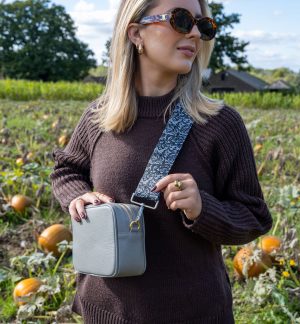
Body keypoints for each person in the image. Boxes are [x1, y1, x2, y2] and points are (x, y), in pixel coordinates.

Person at [50, 0, 273, 323]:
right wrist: (78, 196)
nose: (195, 33)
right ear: (136, 34)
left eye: (203, 25)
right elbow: (66, 168)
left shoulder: (218, 124)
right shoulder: (100, 118)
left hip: (191, 313)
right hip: (105, 311)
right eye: (181, 20)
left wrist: (202, 208)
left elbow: (254, 216)